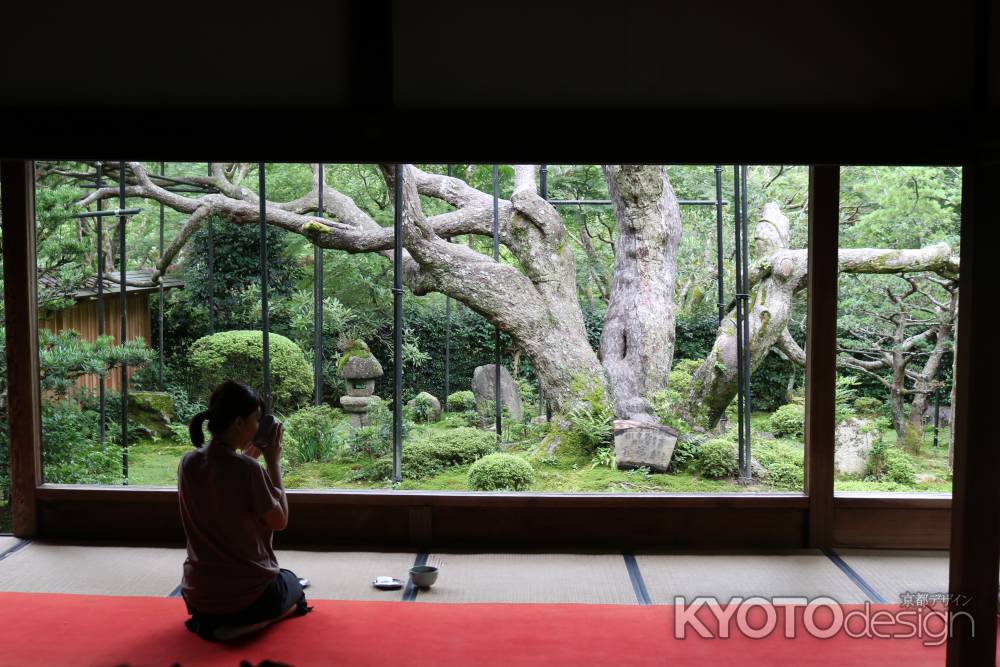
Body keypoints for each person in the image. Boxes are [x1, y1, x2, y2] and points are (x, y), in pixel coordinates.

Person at [177, 380, 312, 642]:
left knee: (281, 584)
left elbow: (223, 482)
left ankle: (212, 624)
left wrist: (248, 458)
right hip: (248, 598)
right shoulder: (248, 471)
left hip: (198, 595)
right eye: (256, 420)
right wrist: (273, 463)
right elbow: (280, 520)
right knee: (293, 585)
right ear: (239, 423)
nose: (258, 426)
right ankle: (247, 627)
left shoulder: (188, 462)